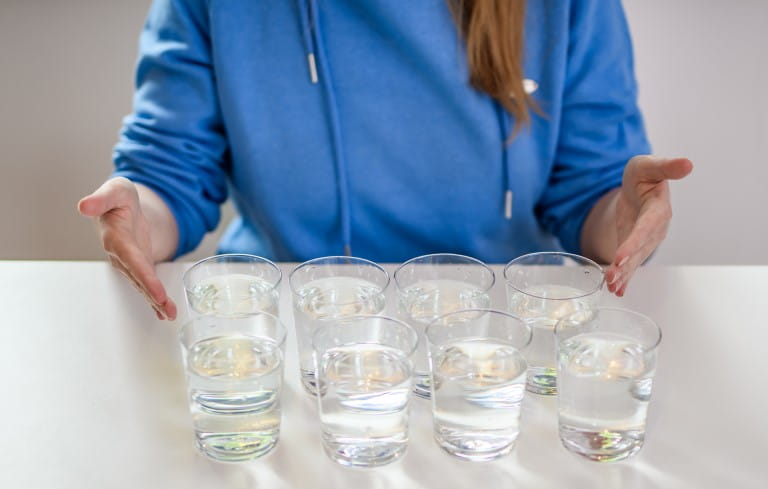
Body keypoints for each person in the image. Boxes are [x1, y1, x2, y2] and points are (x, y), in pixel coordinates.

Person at [78, 0, 692, 321]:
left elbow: (589, 193)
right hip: (288, 331)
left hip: (492, 336)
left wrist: (624, 219)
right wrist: (139, 211)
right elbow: (169, 172)